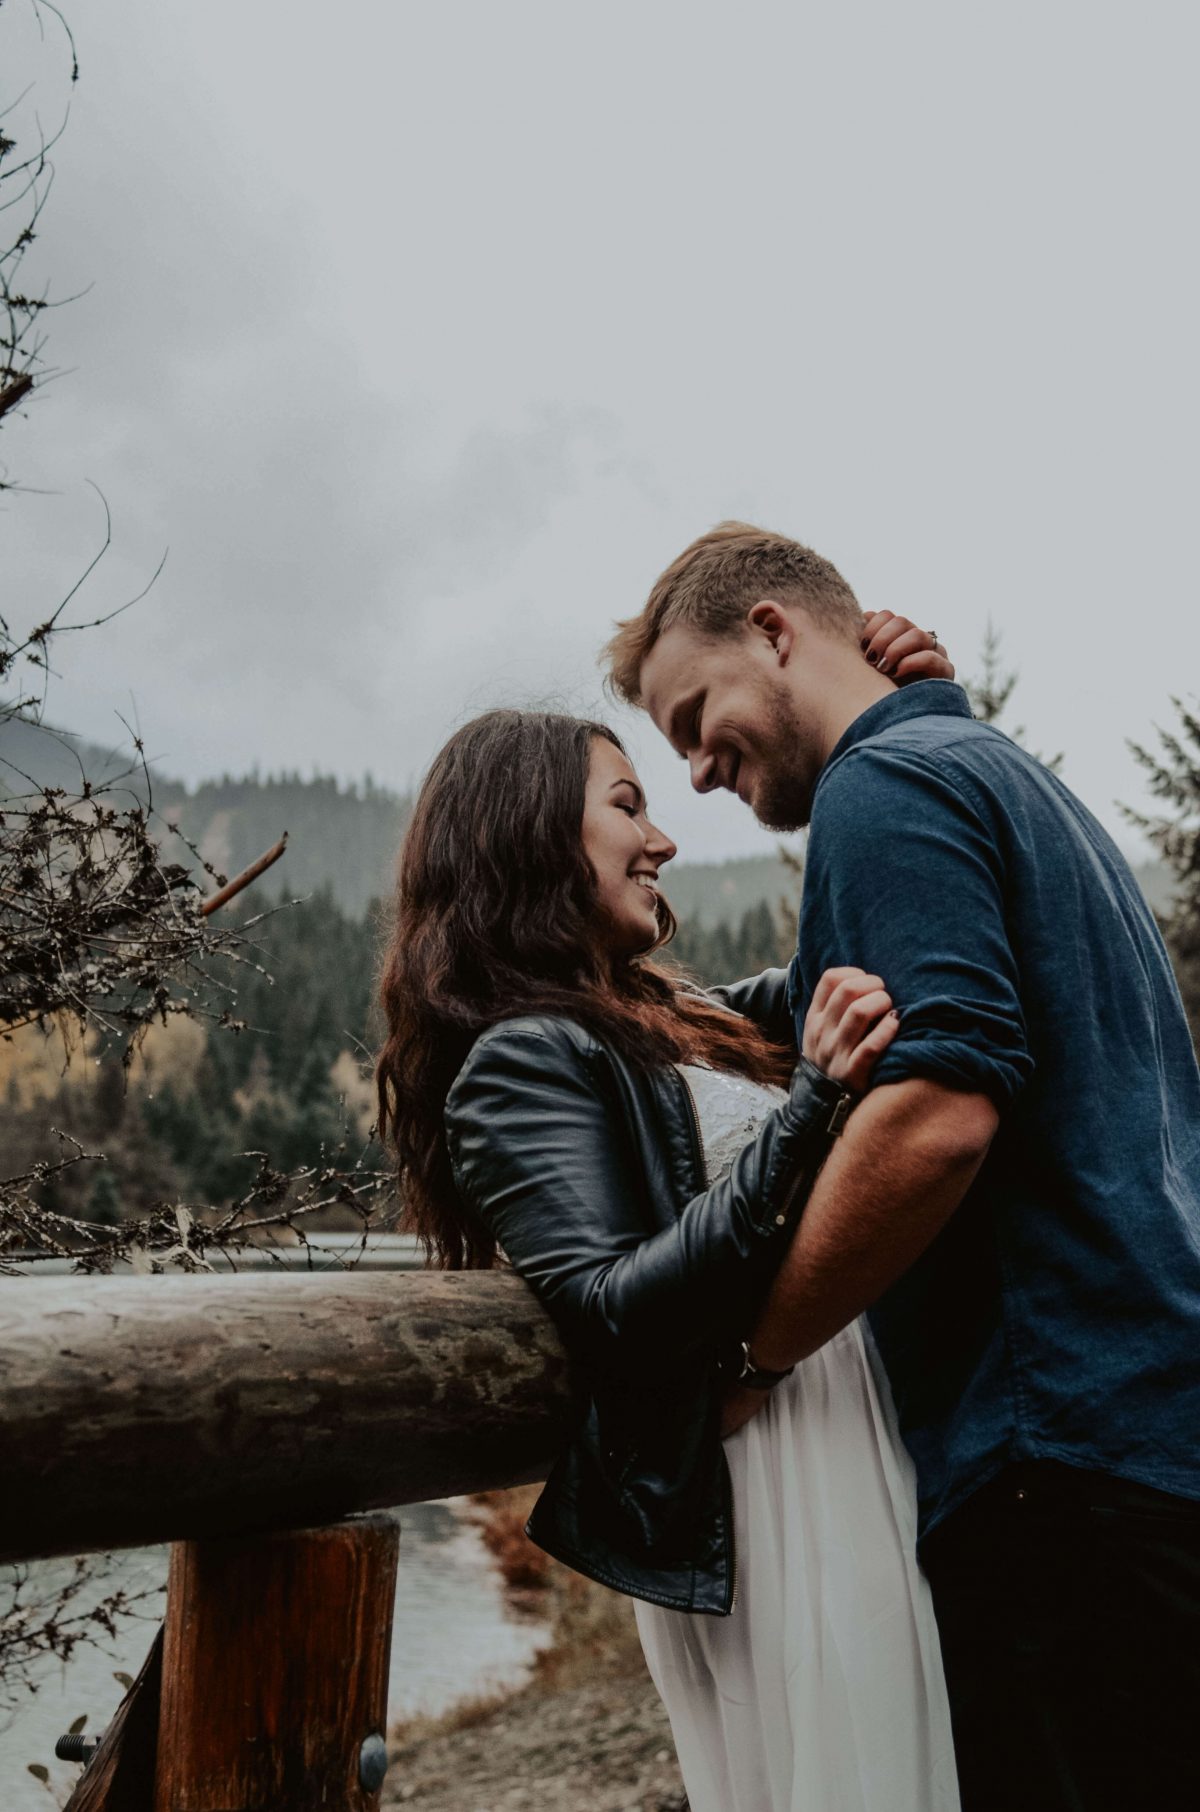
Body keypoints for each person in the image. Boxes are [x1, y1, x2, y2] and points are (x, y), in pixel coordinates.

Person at [608, 519, 1200, 1811]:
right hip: (1146, 1442)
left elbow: (937, 1112)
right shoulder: (987, 770)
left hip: (1051, 1472)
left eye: (696, 716)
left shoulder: (886, 793)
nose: (698, 772)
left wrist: (749, 1359)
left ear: (775, 632)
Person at [375, 640, 962, 1812]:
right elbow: (614, 1308)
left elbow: (879, 948)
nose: (664, 837)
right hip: (763, 1485)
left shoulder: (673, 1018)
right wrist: (812, 1116)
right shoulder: (519, 1059)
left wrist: (904, 713)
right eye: (628, 804)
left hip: (847, 1427)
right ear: (532, 836)